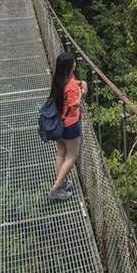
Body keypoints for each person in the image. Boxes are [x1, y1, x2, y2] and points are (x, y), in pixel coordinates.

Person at [47, 51, 87, 201]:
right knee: (71, 157)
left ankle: (62, 183)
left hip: (58, 122)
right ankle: (55, 189)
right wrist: (81, 92)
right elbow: (74, 104)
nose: (75, 63)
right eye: (74, 62)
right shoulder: (71, 86)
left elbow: (69, 86)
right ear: (70, 66)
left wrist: (78, 83)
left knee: (60, 153)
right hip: (70, 125)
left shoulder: (58, 79)